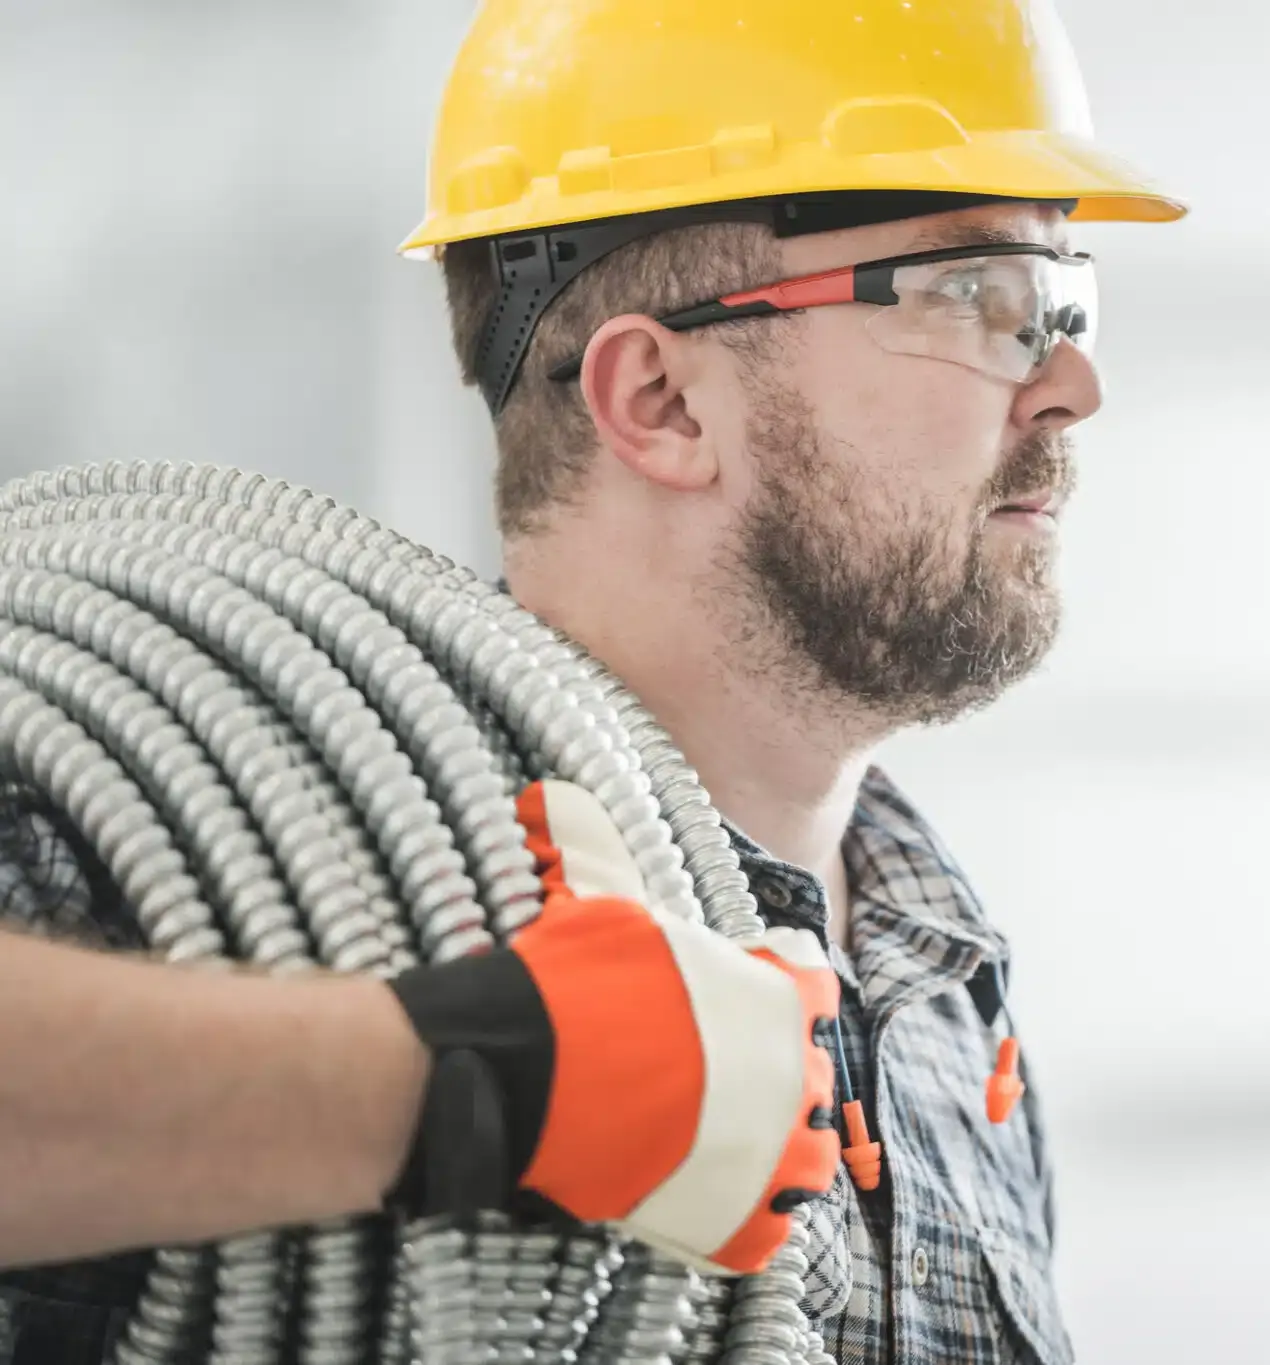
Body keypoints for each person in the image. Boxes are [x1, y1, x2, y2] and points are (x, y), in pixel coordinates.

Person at [0, 2, 1184, 1362]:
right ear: (661, 401)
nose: (1073, 384)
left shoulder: (941, 961)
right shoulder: (178, 845)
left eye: (1064, 300)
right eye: (983, 297)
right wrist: (460, 1077)